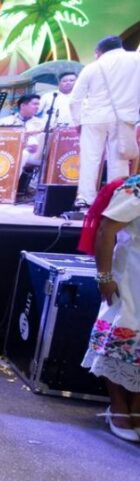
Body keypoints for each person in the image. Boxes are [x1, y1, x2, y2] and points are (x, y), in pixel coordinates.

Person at [79, 175, 140, 442]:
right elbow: (106, 230)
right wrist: (104, 277)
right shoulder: (136, 188)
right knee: (121, 336)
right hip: (132, 277)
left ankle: (136, 406)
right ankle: (117, 405)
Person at [71, 35, 140, 210]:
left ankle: (85, 198)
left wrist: (77, 122)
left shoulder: (93, 67)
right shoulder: (136, 60)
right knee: (119, 160)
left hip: (94, 118)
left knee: (90, 159)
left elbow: (75, 99)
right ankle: (116, 200)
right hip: (124, 118)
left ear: (99, 51)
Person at [0, 94, 45, 192]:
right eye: (34, 104)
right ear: (23, 105)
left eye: (38, 104)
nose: (37, 107)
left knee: (24, 153)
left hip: (34, 155)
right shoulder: (6, 121)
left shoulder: (42, 124)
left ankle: (9, 187)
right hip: (8, 153)